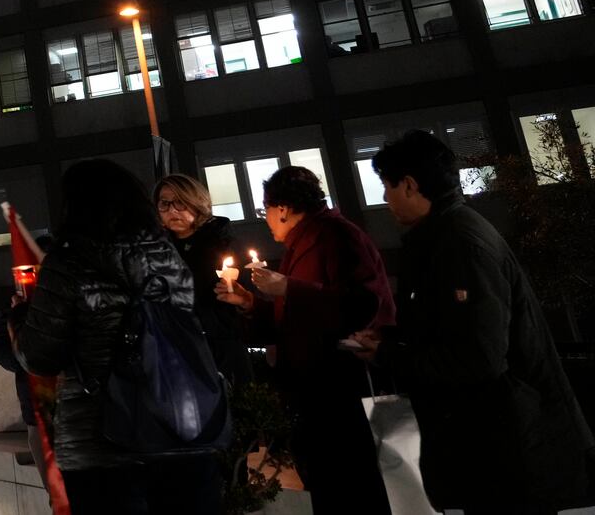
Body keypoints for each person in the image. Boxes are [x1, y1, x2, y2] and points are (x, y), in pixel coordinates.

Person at [360, 130, 593, 514]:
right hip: (494, 443)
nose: (384, 199)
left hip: (505, 447)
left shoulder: (460, 244)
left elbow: (477, 357)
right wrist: (390, 338)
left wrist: (388, 354)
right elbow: (447, 327)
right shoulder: (444, 237)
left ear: (410, 184)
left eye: (386, 186)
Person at [13, 159, 223, 515]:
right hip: (182, 428)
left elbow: (39, 356)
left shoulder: (67, 263)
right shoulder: (166, 256)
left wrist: (21, 316)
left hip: (103, 442)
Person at [216, 166, 394, 515]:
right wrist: (250, 304)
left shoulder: (336, 235)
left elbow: (362, 304)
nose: (266, 219)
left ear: (281, 208)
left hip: (340, 394)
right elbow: (292, 322)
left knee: (353, 489)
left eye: (265, 210)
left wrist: (288, 288)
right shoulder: (307, 242)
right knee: (330, 488)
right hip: (314, 396)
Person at [154, 173, 252, 387]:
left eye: (179, 202)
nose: (172, 210)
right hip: (175, 354)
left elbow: (250, 299)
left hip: (219, 351)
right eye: (164, 203)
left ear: (196, 203)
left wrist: (242, 301)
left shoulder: (223, 244)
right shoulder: (157, 250)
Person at [0, 234, 55, 469]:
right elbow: (6, 355)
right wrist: (18, 317)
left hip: (75, 411)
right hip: (36, 412)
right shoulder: (18, 304)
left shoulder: (70, 300)